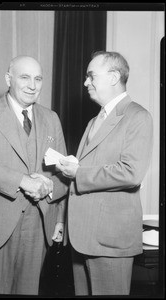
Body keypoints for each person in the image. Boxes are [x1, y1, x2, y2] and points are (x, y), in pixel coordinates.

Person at [0, 55, 68, 295]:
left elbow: (64, 176)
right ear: (8, 79)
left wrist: (49, 187)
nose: (32, 85)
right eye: (25, 77)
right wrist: (23, 182)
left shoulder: (51, 119)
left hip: (39, 223)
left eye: (38, 78)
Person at [56, 51, 153, 295]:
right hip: (81, 236)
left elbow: (131, 173)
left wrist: (78, 172)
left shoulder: (138, 116)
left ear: (113, 77)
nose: (86, 82)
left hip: (109, 241)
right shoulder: (94, 120)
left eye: (91, 76)